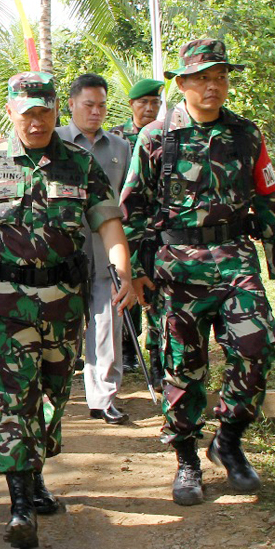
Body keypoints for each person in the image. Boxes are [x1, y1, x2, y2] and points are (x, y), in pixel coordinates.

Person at [120, 39, 275, 507]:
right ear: (182, 83)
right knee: (182, 367)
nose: (213, 86)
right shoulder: (156, 137)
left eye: (220, 77)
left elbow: (268, 199)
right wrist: (136, 272)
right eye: (203, 78)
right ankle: (186, 460)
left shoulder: (246, 134)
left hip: (234, 260)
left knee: (258, 345)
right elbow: (133, 207)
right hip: (175, 269)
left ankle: (228, 439)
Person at [0, 72, 134, 549]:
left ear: (57, 111)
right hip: (7, 302)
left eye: (44, 112)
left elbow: (108, 222)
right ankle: (20, 507)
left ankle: (34, 473)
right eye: (27, 113)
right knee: (17, 400)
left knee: (52, 398)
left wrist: (123, 271)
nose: (36, 122)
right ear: (10, 112)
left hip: (64, 303)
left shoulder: (80, 163)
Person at [57, 74, 132, 426]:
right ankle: (53, 395)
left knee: (107, 324)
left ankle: (103, 398)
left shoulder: (120, 148)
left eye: (102, 105)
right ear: (71, 104)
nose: (96, 112)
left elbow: (127, 203)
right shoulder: (53, 141)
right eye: (88, 105)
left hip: (106, 252)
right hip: (63, 252)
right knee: (61, 325)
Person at [109, 78, 164, 376]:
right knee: (127, 283)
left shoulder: (167, 136)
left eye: (155, 103)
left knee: (155, 290)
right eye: (144, 103)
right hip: (125, 225)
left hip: (157, 228)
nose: (149, 108)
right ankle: (128, 348)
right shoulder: (116, 138)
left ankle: (157, 357)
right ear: (132, 104)